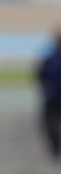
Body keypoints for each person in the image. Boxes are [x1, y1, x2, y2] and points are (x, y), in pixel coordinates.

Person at [37, 30, 61, 159]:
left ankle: (55, 146)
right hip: (52, 95)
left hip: (52, 96)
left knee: (50, 122)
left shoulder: (50, 58)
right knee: (50, 122)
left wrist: (45, 89)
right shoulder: (49, 58)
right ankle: (55, 145)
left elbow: (40, 76)